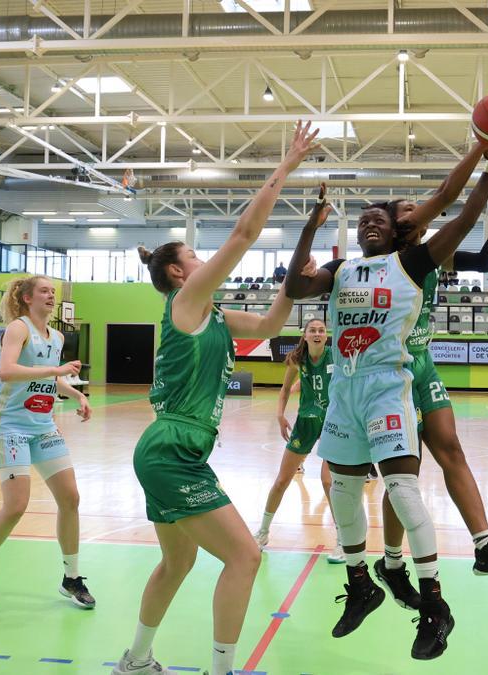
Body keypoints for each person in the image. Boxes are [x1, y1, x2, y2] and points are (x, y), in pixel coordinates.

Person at [283, 156, 488, 659]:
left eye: (384, 217)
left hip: (397, 376)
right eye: (366, 218)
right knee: (347, 492)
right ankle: (371, 578)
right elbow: (293, 287)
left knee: (410, 477)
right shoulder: (342, 269)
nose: (375, 221)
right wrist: (308, 232)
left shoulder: (417, 260)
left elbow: (457, 216)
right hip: (345, 390)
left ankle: (439, 592)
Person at [111, 121, 315, 675]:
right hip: (172, 448)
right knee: (245, 556)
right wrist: (286, 167)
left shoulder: (215, 316)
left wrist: (295, 276)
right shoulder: (186, 301)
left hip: (175, 450)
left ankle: (135, 659)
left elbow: (275, 324)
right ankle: (222, 669)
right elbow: (244, 236)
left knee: (176, 563)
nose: (206, 262)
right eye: (197, 257)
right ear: (179, 272)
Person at [367, 177, 488, 594]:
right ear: (393, 226)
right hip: (392, 372)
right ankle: (391, 560)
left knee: (451, 449)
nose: (415, 213)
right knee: (404, 473)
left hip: (423, 366)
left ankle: (485, 544)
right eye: (405, 211)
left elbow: (485, 262)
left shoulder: (434, 256)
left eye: (416, 208)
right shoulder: (391, 258)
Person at [0, 275, 96, 614]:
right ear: (26, 298)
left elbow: (52, 379)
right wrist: (57, 369)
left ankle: (72, 577)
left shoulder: (58, 336)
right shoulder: (18, 329)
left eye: (53, 291)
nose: (51, 295)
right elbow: (6, 372)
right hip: (9, 426)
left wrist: (77, 392)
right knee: (16, 506)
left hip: (42, 425)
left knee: (71, 498)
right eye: (44, 291)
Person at [252, 318, 342, 562]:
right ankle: (263, 532)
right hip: (305, 422)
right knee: (282, 480)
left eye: (321, 330)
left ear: (326, 335)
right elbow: (284, 390)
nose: (317, 333)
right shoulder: (296, 359)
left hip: (332, 421)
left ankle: (342, 540)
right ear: (305, 335)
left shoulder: (336, 356)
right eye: (312, 330)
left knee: (327, 481)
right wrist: (280, 415)